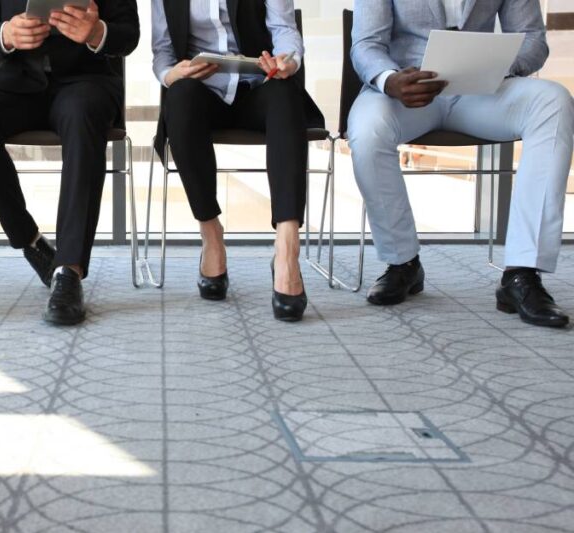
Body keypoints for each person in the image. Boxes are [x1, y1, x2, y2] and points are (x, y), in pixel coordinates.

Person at [350, 0, 574, 328]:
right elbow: (366, 44)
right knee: (367, 130)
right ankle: (403, 263)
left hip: (482, 92)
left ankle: (522, 273)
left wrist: (495, 68)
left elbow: (532, 39)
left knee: (554, 102)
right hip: (407, 92)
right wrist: (390, 80)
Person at [0, 0, 139, 326]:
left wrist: (97, 32)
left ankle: (69, 271)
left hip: (87, 81)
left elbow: (129, 35)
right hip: (15, 80)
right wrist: (5, 35)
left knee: (82, 118)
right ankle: (31, 241)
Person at [152, 0, 324, 322]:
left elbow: (284, 31)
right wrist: (171, 73)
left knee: (286, 92)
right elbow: (162, 50)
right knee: (180, 97)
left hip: (259, 87)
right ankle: (211, 234)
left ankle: (287, 249)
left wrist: (288, 60)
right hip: (203, 94)